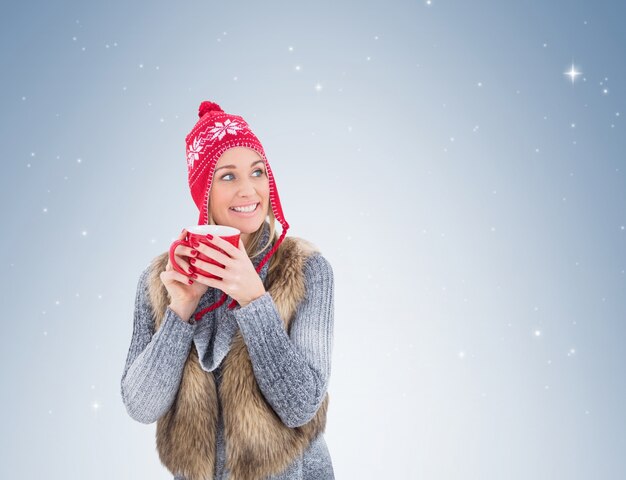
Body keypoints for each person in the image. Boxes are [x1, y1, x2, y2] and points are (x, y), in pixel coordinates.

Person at [120, 100, 335, 480]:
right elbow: (141, 406)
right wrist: (180, 311)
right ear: (204, 191)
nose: (249, 190)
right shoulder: (162, 278)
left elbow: (301, 405)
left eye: (257, 172)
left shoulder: (303, 270)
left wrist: (255, 302)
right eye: (228, 176)